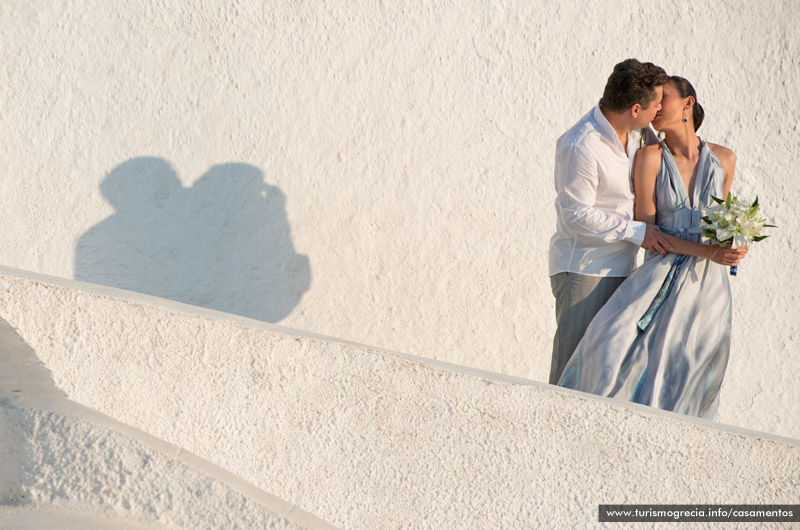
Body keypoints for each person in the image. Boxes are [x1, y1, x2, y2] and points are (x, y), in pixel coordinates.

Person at [557, 76, 747, 420]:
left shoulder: (725, 159)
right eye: (654, 101)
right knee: (614, 356)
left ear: (688, 104)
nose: (658, 107)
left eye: (665, 99)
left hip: (708, 287)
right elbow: (649, 233)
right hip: (659, 277)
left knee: (695, 374)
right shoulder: (649, 157)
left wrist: (737, 243)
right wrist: (709, 253)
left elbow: (724, 222)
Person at [548, 59, 673, 385]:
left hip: (626, 269)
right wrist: (638, 232)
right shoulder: (582, 144)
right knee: (570, 374)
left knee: (606, 374)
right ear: (635, 108)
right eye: (657, 103)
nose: (661, 108)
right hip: (585, 271)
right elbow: (576, 215)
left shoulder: (639, 135)